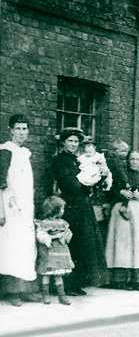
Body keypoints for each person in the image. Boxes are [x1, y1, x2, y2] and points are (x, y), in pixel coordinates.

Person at [51, 127, 108, 295]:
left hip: (83, 204)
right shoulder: (60, 160)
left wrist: (96, 180)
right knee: (72, 242)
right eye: (70, 141)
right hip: (70, 205)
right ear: (63, 142)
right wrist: (84, 183)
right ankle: (67, 284)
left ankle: (78, 282)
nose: (73, 144)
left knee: (84, 243)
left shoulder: (79, 160)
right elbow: (69, 183)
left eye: (76, 141)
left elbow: (90, 181)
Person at [0, 114, 40, 306]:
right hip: (10, 209)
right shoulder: (5, 151)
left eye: (25, 129)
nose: (22, 133)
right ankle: (12, 292)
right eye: (18, 129)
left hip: (26, 209)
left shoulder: (25, 153)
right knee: (11, 248)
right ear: (11, 130)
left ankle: (25, 289)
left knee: (26, 247)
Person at [105, 151, 139, 291]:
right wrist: (120, 192)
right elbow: (109, 191)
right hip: (121, 211)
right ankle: (121, 280)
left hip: (138, 212)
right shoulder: (119, 174)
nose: (134, 162)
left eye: (137, 159)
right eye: (132, 159)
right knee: (122, 244)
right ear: (128, 161)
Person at [35, 196, 74, 305]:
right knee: (47, 273)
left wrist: (65, 236)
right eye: (62, 208)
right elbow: (41, 234)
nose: (63, 210)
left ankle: (62, 296)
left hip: (60, 251)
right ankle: (46, 295)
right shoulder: (44, 223)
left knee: (58, 274)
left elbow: (68, 233)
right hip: (50, 251)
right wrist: (50, 238)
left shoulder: (63, 223)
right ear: (55, 210)